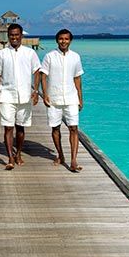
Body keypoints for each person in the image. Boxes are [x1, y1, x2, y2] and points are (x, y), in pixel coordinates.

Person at [0, 23, 41, 170]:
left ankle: (18, 153)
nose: (14, 37)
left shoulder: (30, 53)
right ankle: (10, 158)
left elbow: (36, 71)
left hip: (25, 95)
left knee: (21, 127)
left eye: (16, 35)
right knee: (8, 128)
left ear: (21, 36)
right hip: (6, 95)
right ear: (8, 36)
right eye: (11, 35)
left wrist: (36, 91)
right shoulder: (1, 54)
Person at [39, 29, 85, 172]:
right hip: (54, 98)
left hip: (71, 97)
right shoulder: (49, 56)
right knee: (55, 128)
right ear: (56, 40)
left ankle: (73, 160)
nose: (63, 41)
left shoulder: (75, 57)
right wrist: (45, 94)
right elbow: (43, 76)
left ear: (70, 40)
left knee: (73, 128)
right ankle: (60, 155)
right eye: (60, 39)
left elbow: (77, 77)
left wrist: (80, 98)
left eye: (66, 39)